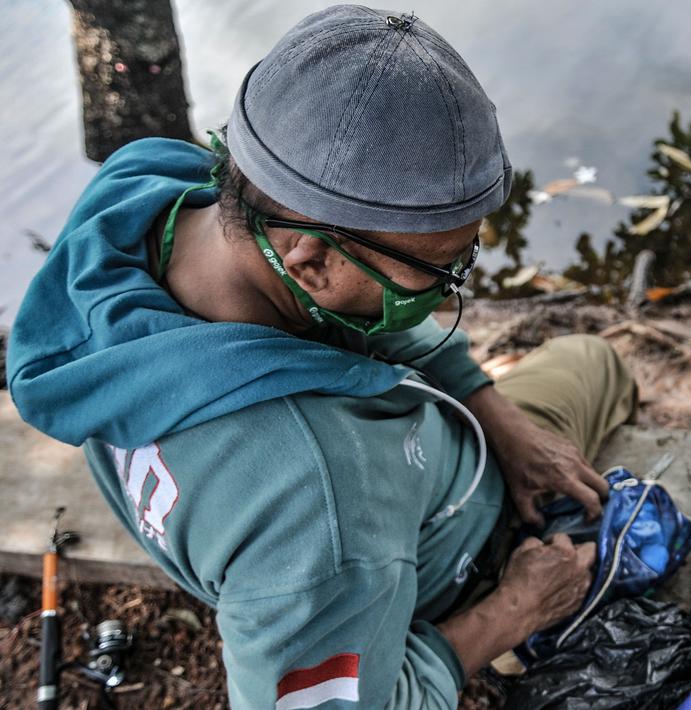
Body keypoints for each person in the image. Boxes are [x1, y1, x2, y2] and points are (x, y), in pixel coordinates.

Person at [5, 6, 637, 708]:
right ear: (309, 261)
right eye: (442, 268)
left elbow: (361, 309)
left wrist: (502, 422)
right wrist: (515, 608)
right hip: (418, 560)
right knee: (596, 360)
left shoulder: (144, 193)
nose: (453, 287)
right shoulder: (317, 499)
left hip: (341, 535)